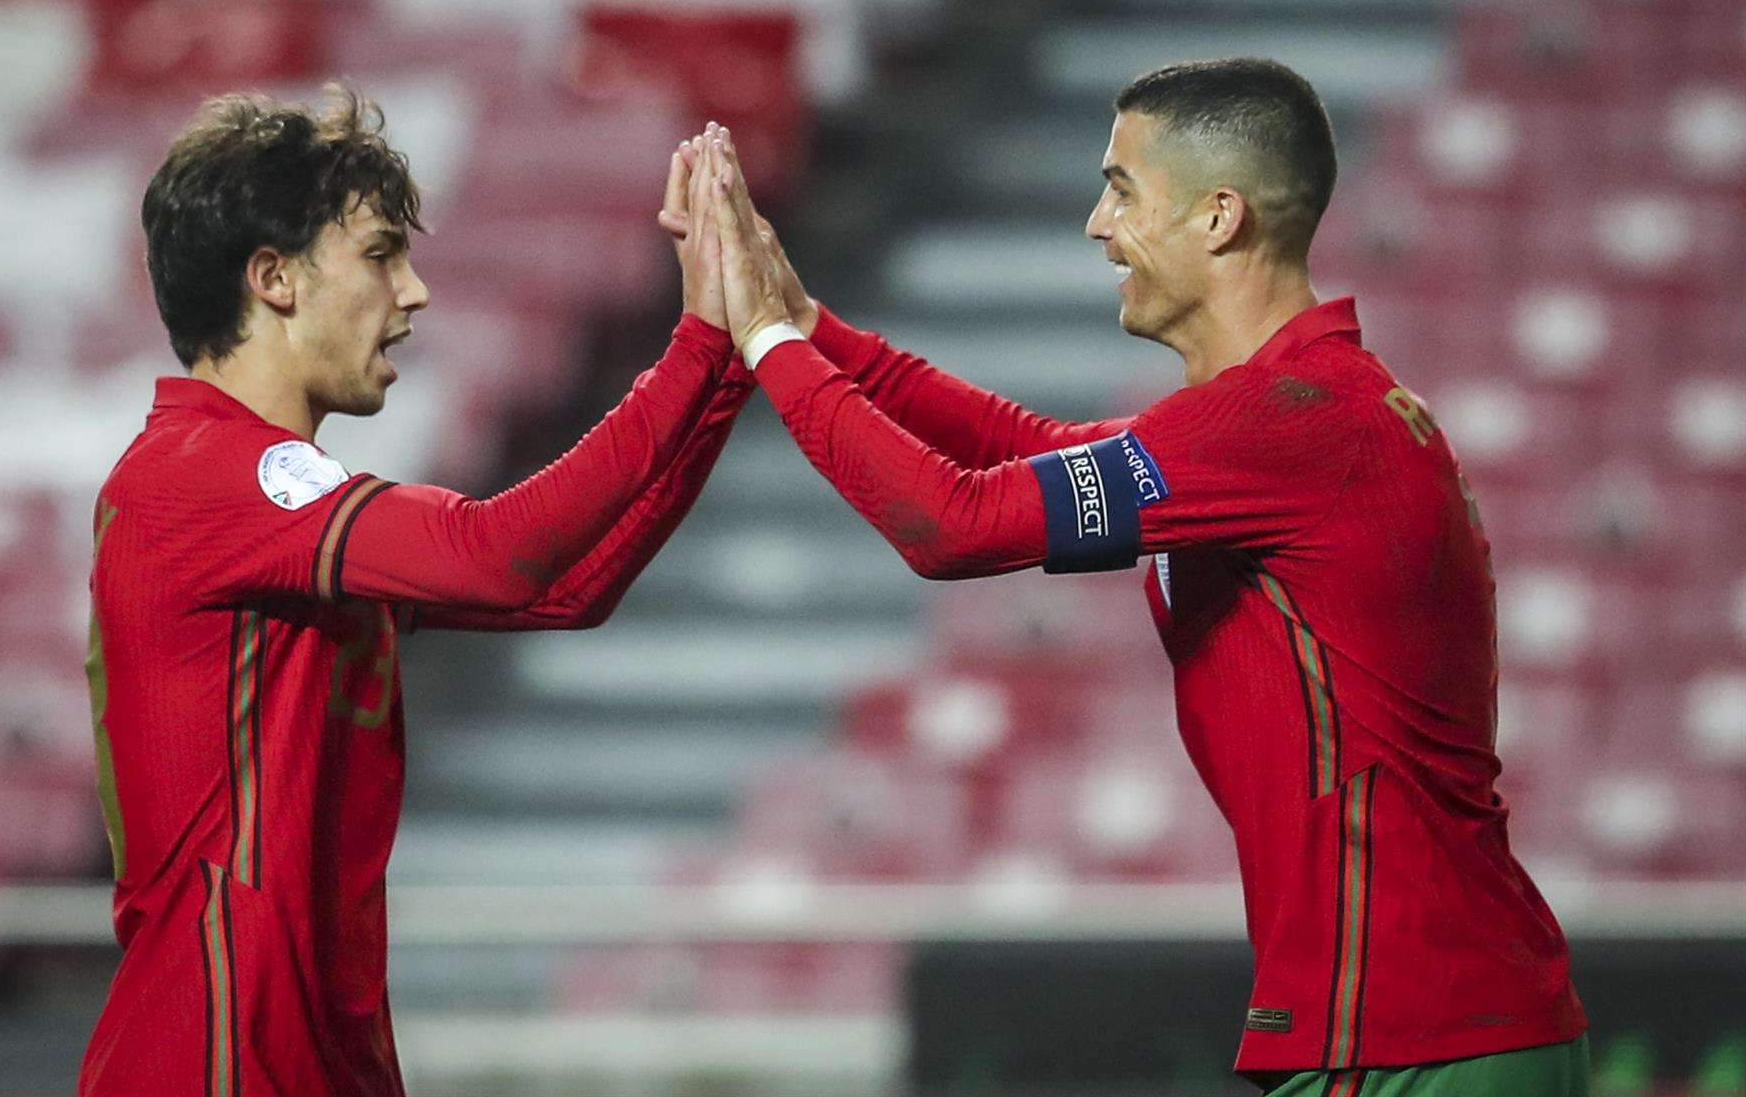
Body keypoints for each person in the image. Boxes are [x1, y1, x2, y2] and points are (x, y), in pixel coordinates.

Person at [692, 60, 1590, 1096]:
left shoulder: (1293, 419)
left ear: (1217, 217)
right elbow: (1024, 449)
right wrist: (809, 327)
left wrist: (763, 342)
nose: (1094, 223)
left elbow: (949, 522)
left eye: (1121, 188)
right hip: (1438, 1016)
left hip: (1407, 1029)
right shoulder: (1290, 415)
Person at [80, 87, 750, 1096]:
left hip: (316, 1049)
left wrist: (729, 365)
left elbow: (564, 586)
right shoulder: (201, 475)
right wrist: (695, 343)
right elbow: (496, 552)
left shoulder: (279, 510)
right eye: (381, 253)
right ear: (273, 279)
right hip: (215, 1053)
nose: (416, 289)